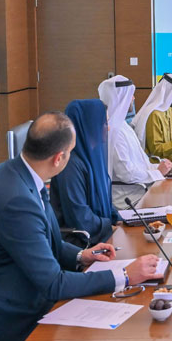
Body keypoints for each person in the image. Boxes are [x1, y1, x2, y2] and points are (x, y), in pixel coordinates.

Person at [0, 112, 163, 341]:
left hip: (31, 297)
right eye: (71, 151)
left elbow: (43, 241)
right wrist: (125, 275)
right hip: (14, 318)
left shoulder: (15, 172)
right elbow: (53, 284)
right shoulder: (17, 201)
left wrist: (81, 255)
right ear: (58, 158)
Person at [49, 99, 118, 246]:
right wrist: (109, 226)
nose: (108, 128)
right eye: (104, 123)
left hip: (100, 236)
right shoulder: (69, 165)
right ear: (90, 125)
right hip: (80, 243)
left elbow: (103, 198)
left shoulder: (93, 155)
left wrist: (119, 219)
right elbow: (79, 216)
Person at [99, 76, 172, 209]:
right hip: (128, 199)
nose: (133, 98)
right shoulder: (114, 131)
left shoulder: (123, 125)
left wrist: (159, 167)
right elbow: (126, 173)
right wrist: (157, 173)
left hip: (140, 190)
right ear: (120, 98)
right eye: (130, 95)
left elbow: (142, 163)